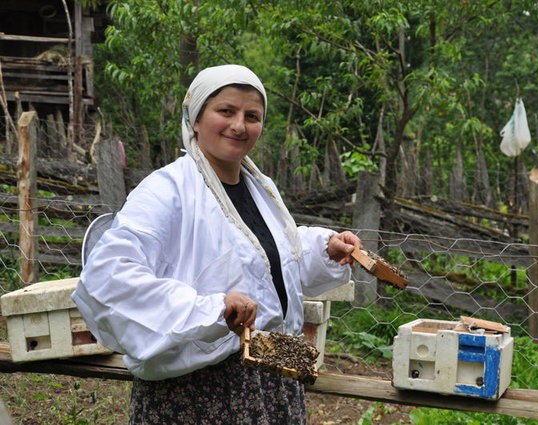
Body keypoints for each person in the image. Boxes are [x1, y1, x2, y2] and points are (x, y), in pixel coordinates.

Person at [72, 64, 361, 424]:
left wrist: (323, 249)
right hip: (197, 393)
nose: (239, 125)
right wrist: (213, 310)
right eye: (226, 111)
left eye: (251, 116)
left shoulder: (260, 189)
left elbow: (263, 262)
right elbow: (107, 278)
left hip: (270, 384)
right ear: (195, 118)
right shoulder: (166, 191)